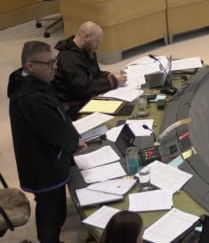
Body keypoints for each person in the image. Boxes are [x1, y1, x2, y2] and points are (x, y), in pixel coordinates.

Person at [8, 41, 87, 243]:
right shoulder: (32, 98)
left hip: (44, 163)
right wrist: (75, 143)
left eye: (55, 62)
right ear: (30, 66)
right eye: (50, 63)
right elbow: (55, 132)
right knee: (51, 214)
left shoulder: (29, 83)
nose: (55, 68)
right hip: (44, 168)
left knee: (52, 209)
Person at [52, 21, 127, 119]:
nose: (97, 46)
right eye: (96, 41)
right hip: (74, 105)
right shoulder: (68, 59)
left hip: (85, 96)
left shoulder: (86, 51)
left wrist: (107, 75)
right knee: (120, 111)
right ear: (86, 37)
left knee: (123, 104)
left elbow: (94, 74)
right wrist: (113, 81)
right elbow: (84, 88)